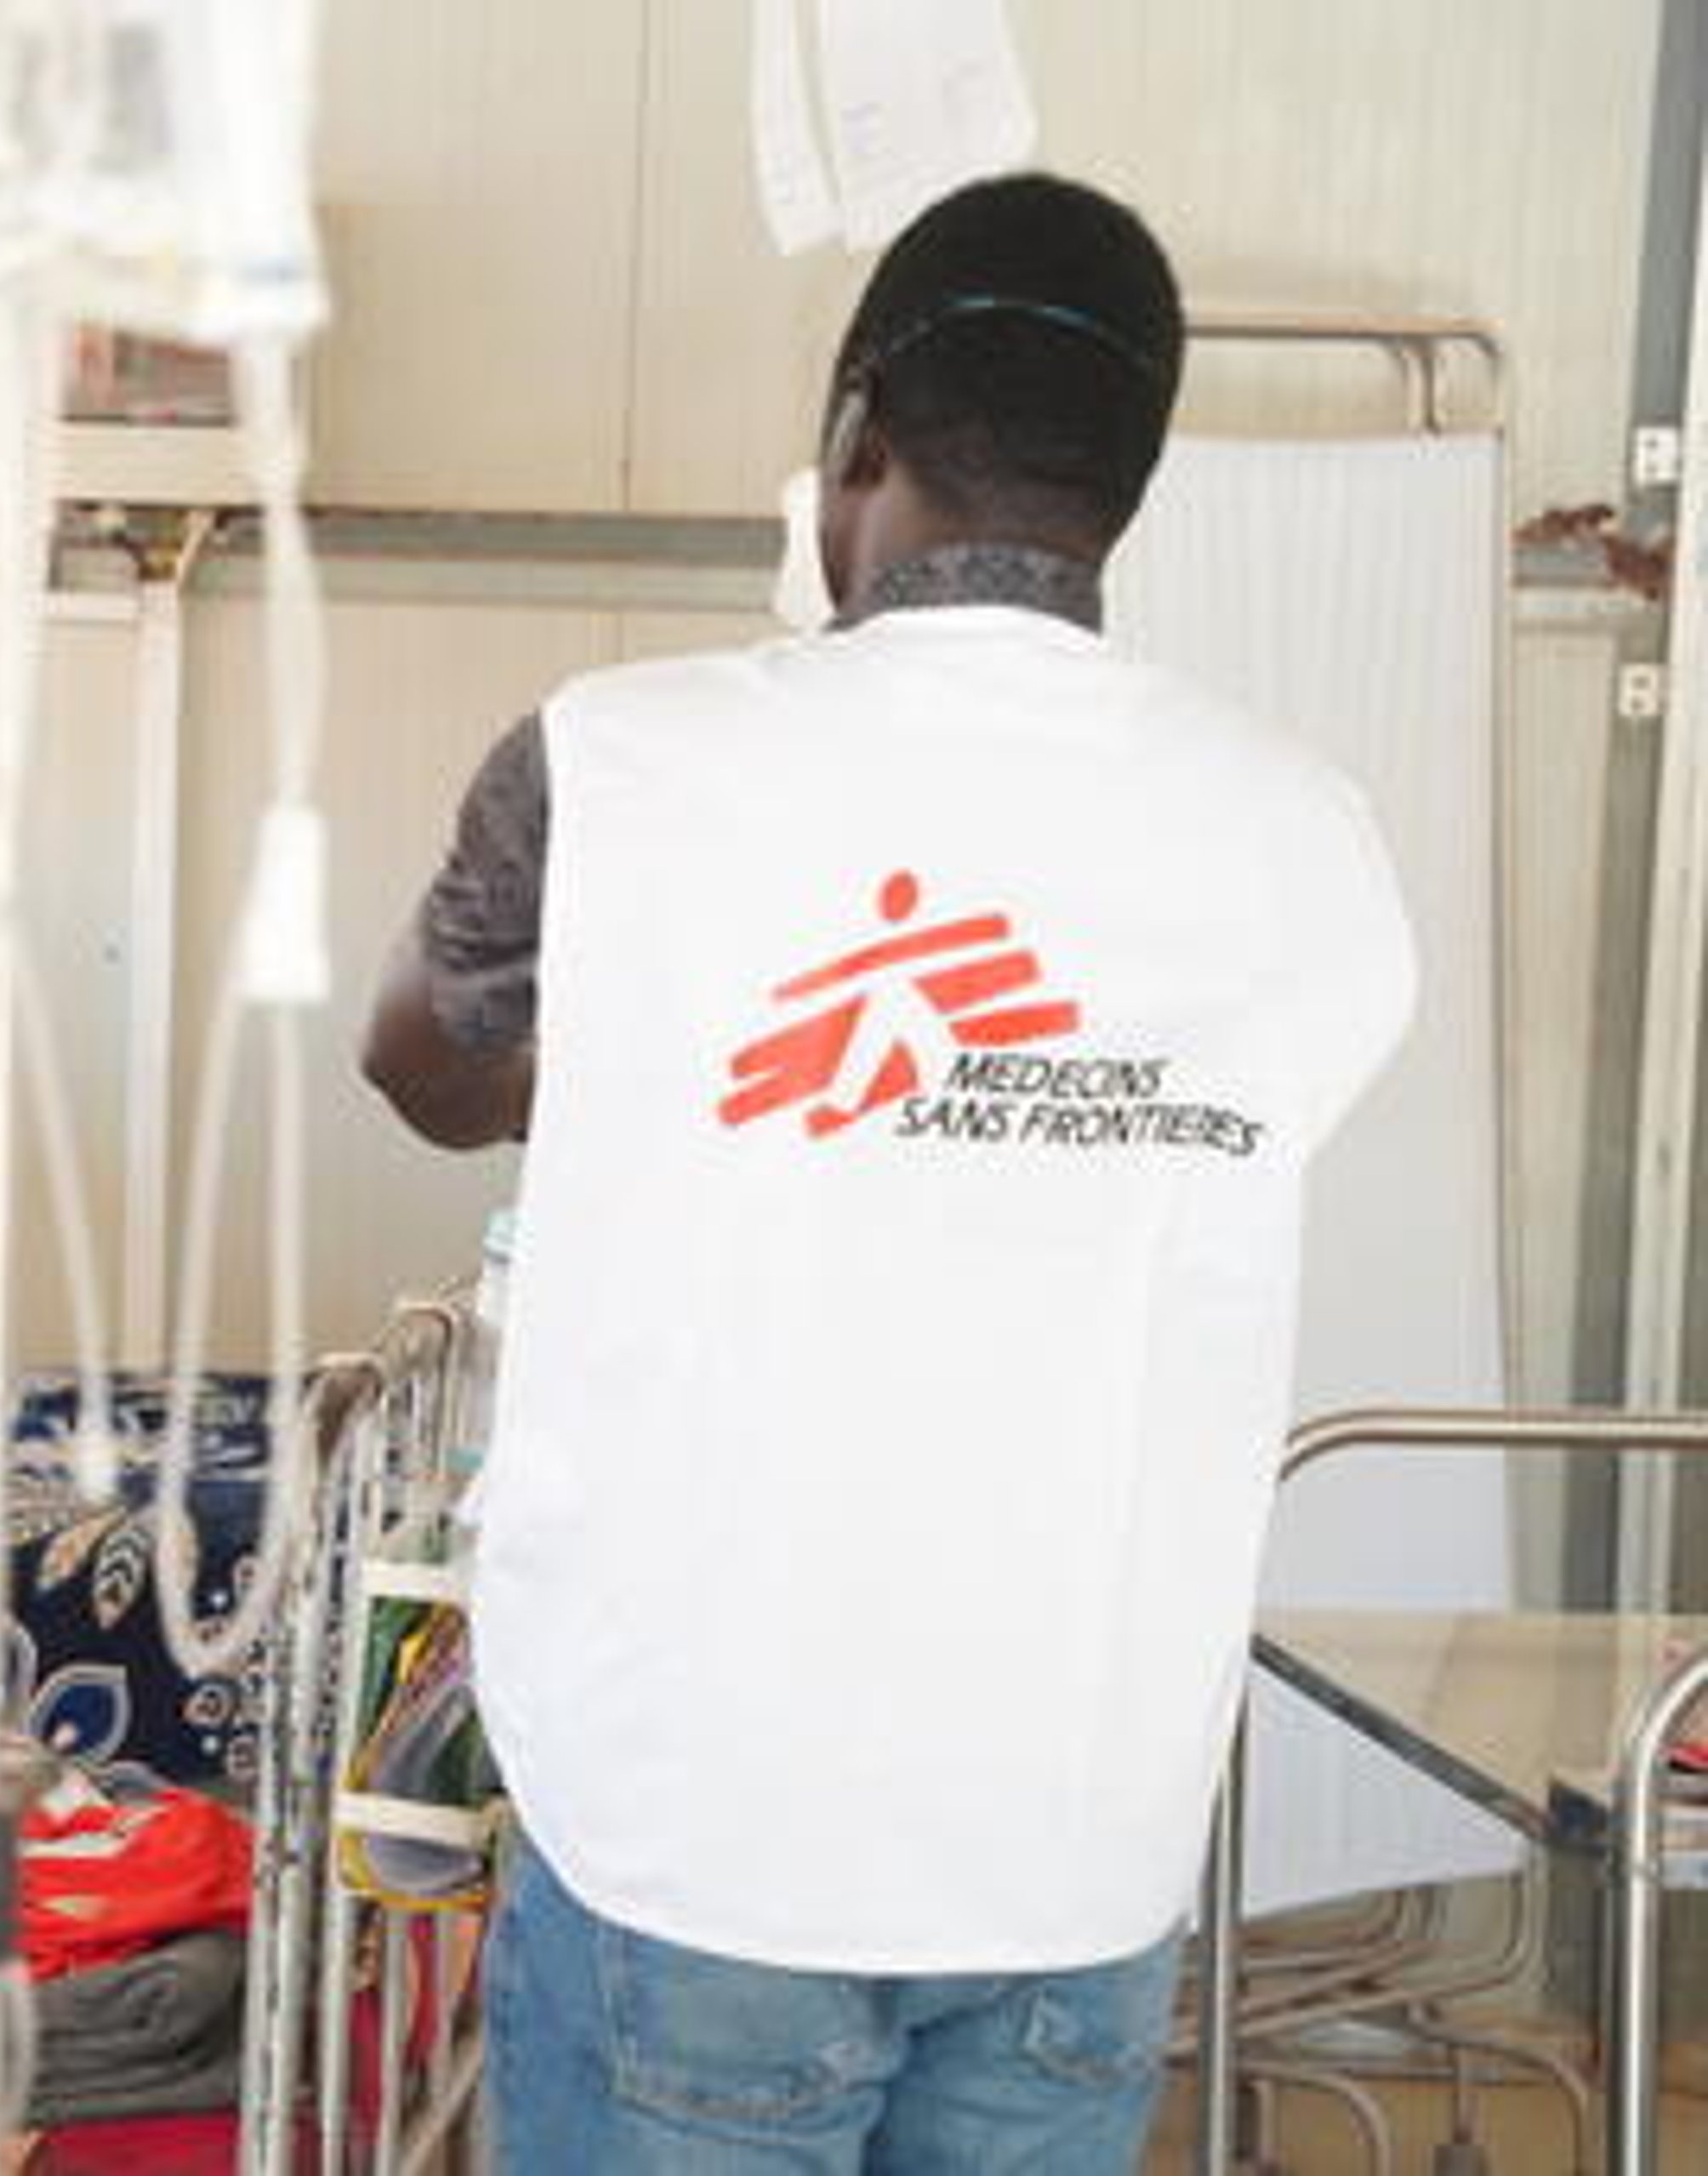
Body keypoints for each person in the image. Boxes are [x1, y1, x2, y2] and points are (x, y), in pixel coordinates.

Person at [362, 174, 1417, 2172]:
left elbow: (423, 1063)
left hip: (703, 1832)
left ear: (853, 443)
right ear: (1129, 486)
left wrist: (682, 1075)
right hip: (1074, 1845)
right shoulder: (1311, 840)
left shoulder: (617, 761)